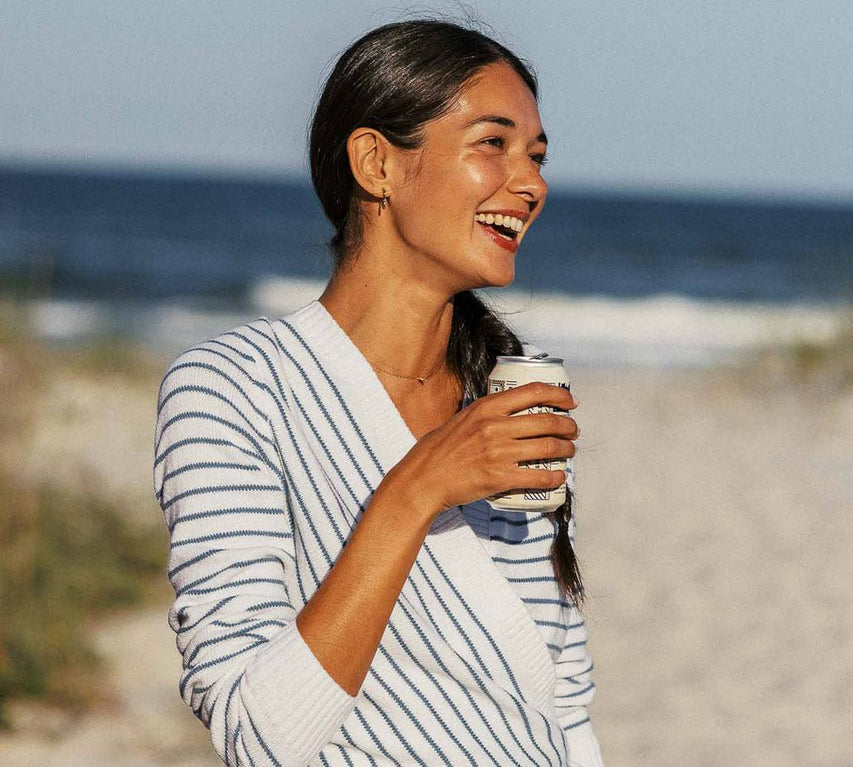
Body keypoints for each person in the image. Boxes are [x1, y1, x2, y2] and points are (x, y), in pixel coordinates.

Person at [152, 18, 605, 766]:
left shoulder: (509, 394)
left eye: (537, 156)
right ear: (376, 163)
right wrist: (419, 485)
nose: (532, 185)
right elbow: (257, 737)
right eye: (492, 144)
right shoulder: (234, 390)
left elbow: (565, 702)